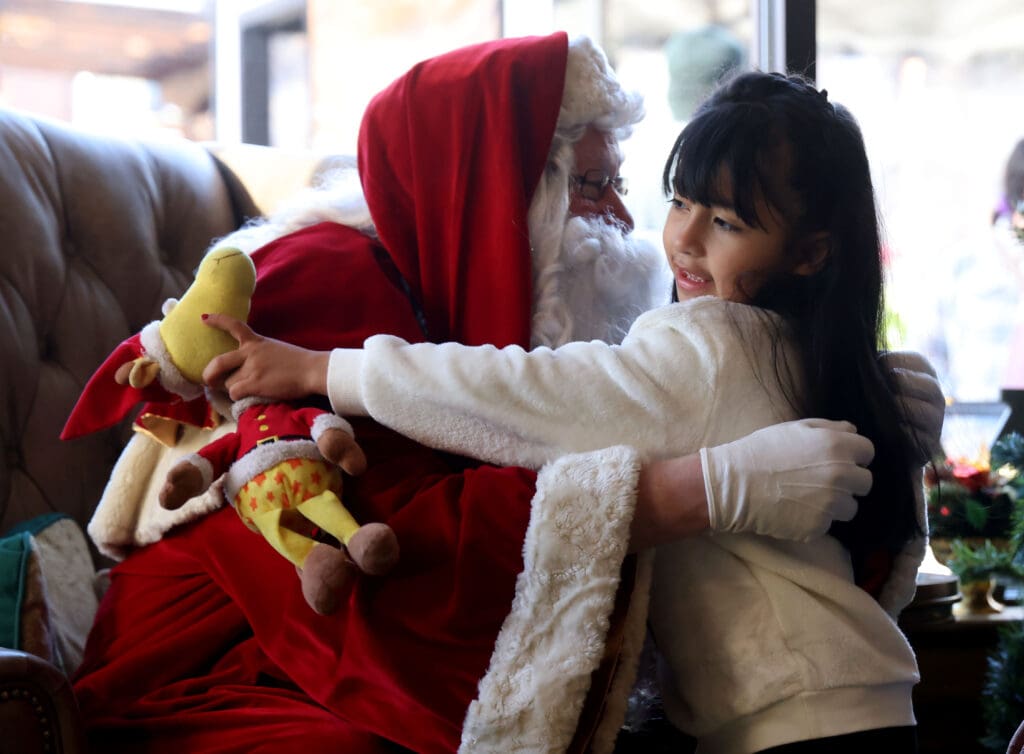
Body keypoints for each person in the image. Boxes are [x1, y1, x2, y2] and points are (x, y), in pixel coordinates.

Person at [71, 35, 938, 754]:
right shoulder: (315, 287)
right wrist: (689, 492)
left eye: (623, 186)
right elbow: (387, 555)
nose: (635, 229)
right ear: (488, 192)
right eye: (594, 189)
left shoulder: (717, 337)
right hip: (239, 666)